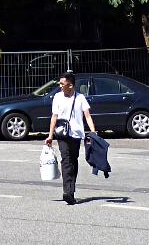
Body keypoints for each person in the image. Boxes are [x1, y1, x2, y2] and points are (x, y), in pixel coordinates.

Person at [46, 70, 97, 205]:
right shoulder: (57, 97)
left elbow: (87, 116)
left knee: (73, 161)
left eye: (63, 83)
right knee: (66, 160)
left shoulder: (80, 98)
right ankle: (67, 192)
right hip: (62, 134)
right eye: (60, 83)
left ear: (71, 85)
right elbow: (54, 117)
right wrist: (50, 135)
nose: (60, 86)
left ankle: (71, 190)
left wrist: (93, 132)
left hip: (76, 135)